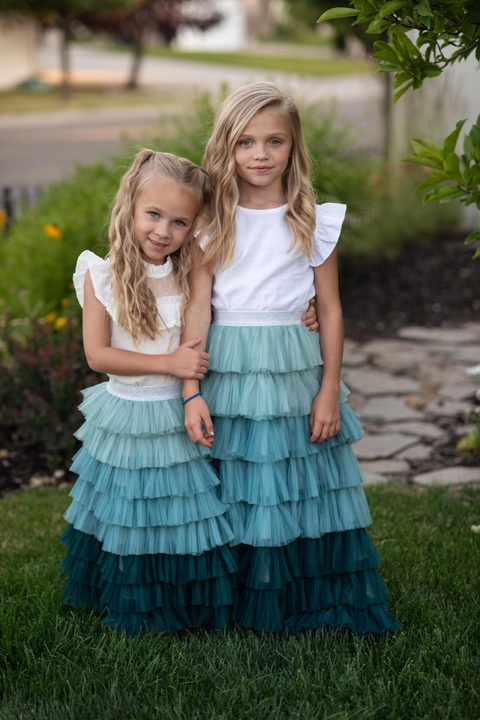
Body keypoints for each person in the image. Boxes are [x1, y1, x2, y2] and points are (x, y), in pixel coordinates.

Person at [182, 83, 401, 635]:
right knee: (234, 476)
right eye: (246, 142)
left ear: (293, 146)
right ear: (226, 148)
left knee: (297, 477)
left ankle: (302, 587)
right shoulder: (210, 223)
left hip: (293, 369)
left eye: (274, 140)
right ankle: (230, 593)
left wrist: (329, 388)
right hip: (229, 366)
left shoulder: (312, 219)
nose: (260, 154)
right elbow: (198, 310)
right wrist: (190, 390)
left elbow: (328, 308)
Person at [60, 150, 238, 636]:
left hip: (175, 408)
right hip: (126, 411)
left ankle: (182, 601)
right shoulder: (100, 273)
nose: (163, 231)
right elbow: (98, 355)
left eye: (180, 222)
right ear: (130, 208)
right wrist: (169, 363)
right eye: (153, 215)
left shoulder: (187, 271)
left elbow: (208, 321)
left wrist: (188, 389)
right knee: (129, 512)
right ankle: (131, 600)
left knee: (180, 509)